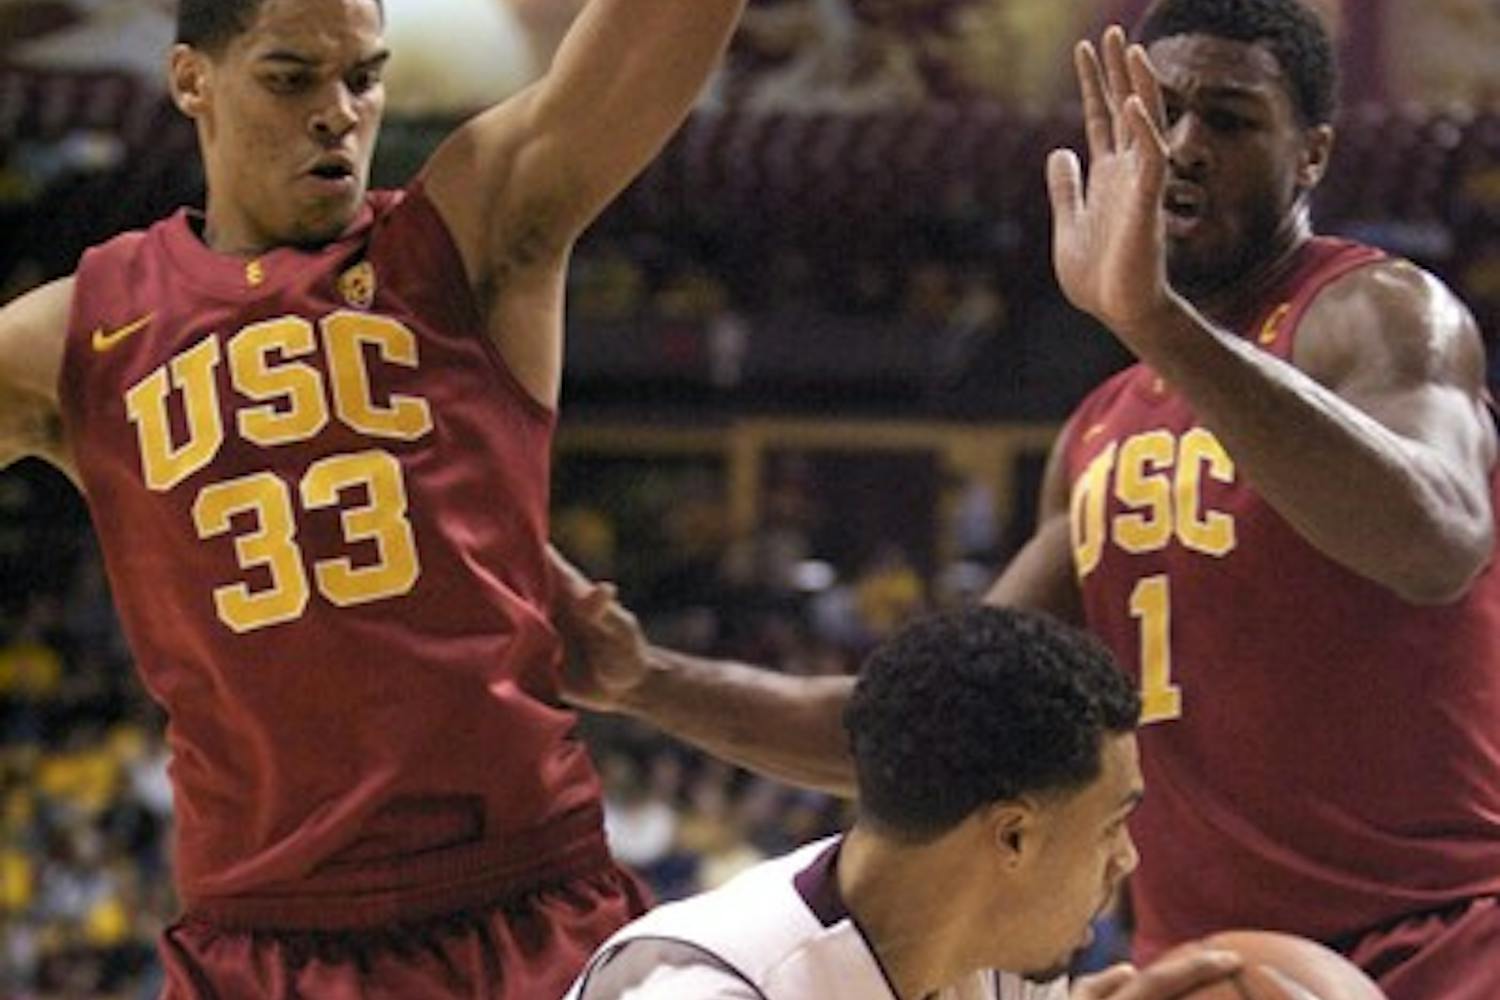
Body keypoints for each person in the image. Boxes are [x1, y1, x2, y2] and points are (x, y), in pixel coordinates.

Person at [551, 4, 1500, 997]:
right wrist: (644, 680)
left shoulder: (1374, 312)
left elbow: (1437, 539)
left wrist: (1157, 321)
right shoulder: (1097, 431)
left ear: (1311, 155)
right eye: (1155, 115)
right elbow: (933, 738)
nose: (1182, 147)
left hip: (1436, 948)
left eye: (1228, 119)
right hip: (1205, 967)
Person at [0, 0, 744, 996]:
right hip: (265, 933)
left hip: (523, 894)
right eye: (290, 76)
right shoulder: (77, 335)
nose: (338, 113)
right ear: (191, 81)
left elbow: (661, 32)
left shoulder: (468, 239)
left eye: (362, 77)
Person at [564, 605, 1247, 1000]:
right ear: (1011, 837)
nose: (1127, 860)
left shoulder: (999, 964)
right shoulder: (711, 990)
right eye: (1112, 825)